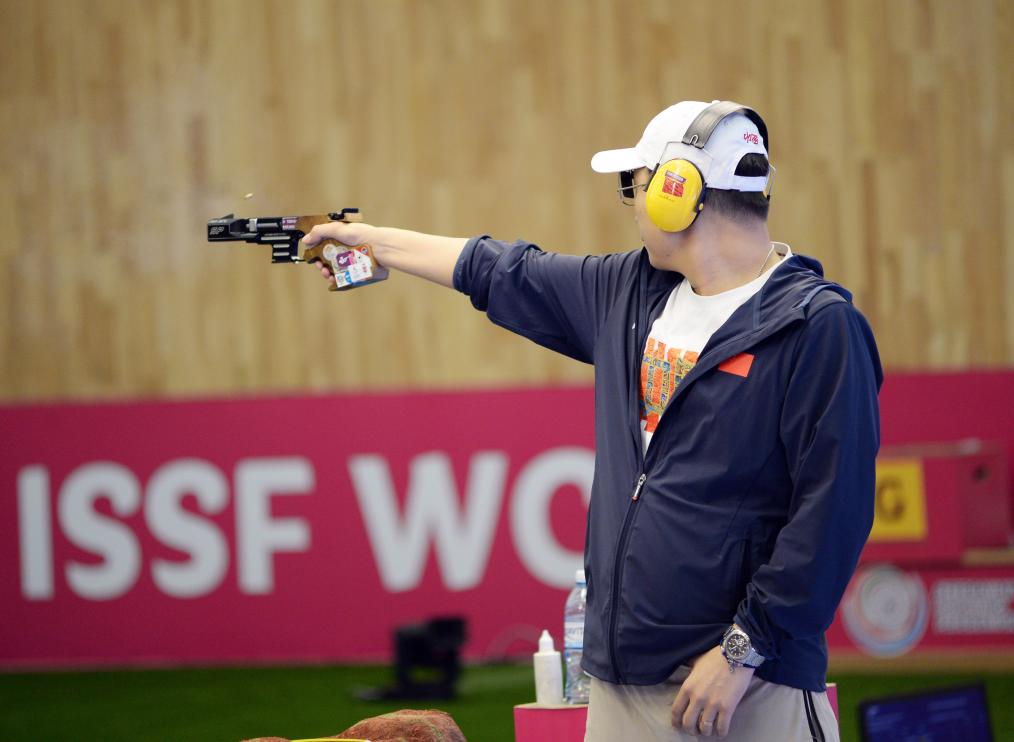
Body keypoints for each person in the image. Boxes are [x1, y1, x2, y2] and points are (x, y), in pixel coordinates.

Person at [304, 100, 882, 741]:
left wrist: (742, 651)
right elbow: (500, 269)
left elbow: (833, 514)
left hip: (748, 687)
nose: (631, 204)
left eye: (635, 184)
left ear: (677, 192)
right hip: (619, 683)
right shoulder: (630, 291)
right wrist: (372, 242)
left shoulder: (818, 326)